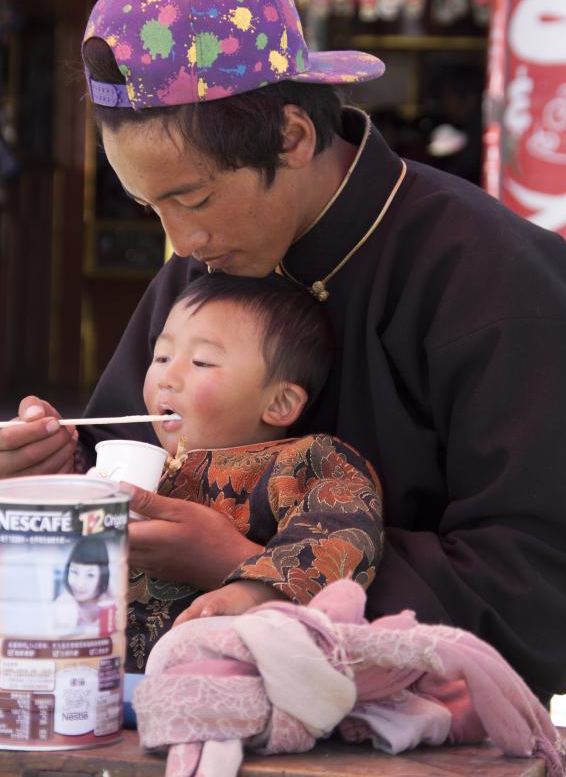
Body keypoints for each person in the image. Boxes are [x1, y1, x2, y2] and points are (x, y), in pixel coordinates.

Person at [0, 0, 566, 703]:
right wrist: (44, 482)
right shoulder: (203, 269)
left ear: (292, 136)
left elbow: (539, 590)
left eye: (192, 200)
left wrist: (251, 565)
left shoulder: (492, 277)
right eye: (150, 207)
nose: (180, 242)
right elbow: (120, 463)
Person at [124, 270, 383, 671]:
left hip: (225, 679)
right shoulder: (147, 468)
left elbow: (338, 537)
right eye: (161, 356)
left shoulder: (306, 462)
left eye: (201, 361)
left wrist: (254, 593)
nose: (167, 378)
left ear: (279, 403)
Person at [53, 536, 116, 637]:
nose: (80, 584)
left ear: (102, 576)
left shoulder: (110, 604)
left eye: (90, 575)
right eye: (74, 572)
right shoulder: (65, 604)